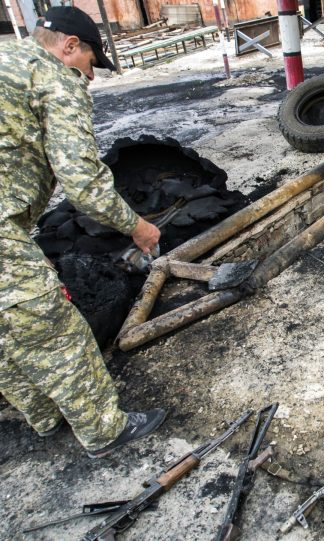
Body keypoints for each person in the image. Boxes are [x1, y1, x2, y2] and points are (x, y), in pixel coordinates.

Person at [0, 6, 166, 458]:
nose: (90, 78)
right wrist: (137, 226)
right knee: (53, 329)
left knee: (5, 330)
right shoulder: (50, 76)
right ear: (70, 46)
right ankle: (103, 430)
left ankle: (44, 414)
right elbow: (82, 179)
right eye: (92, 64)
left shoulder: (6, 62)